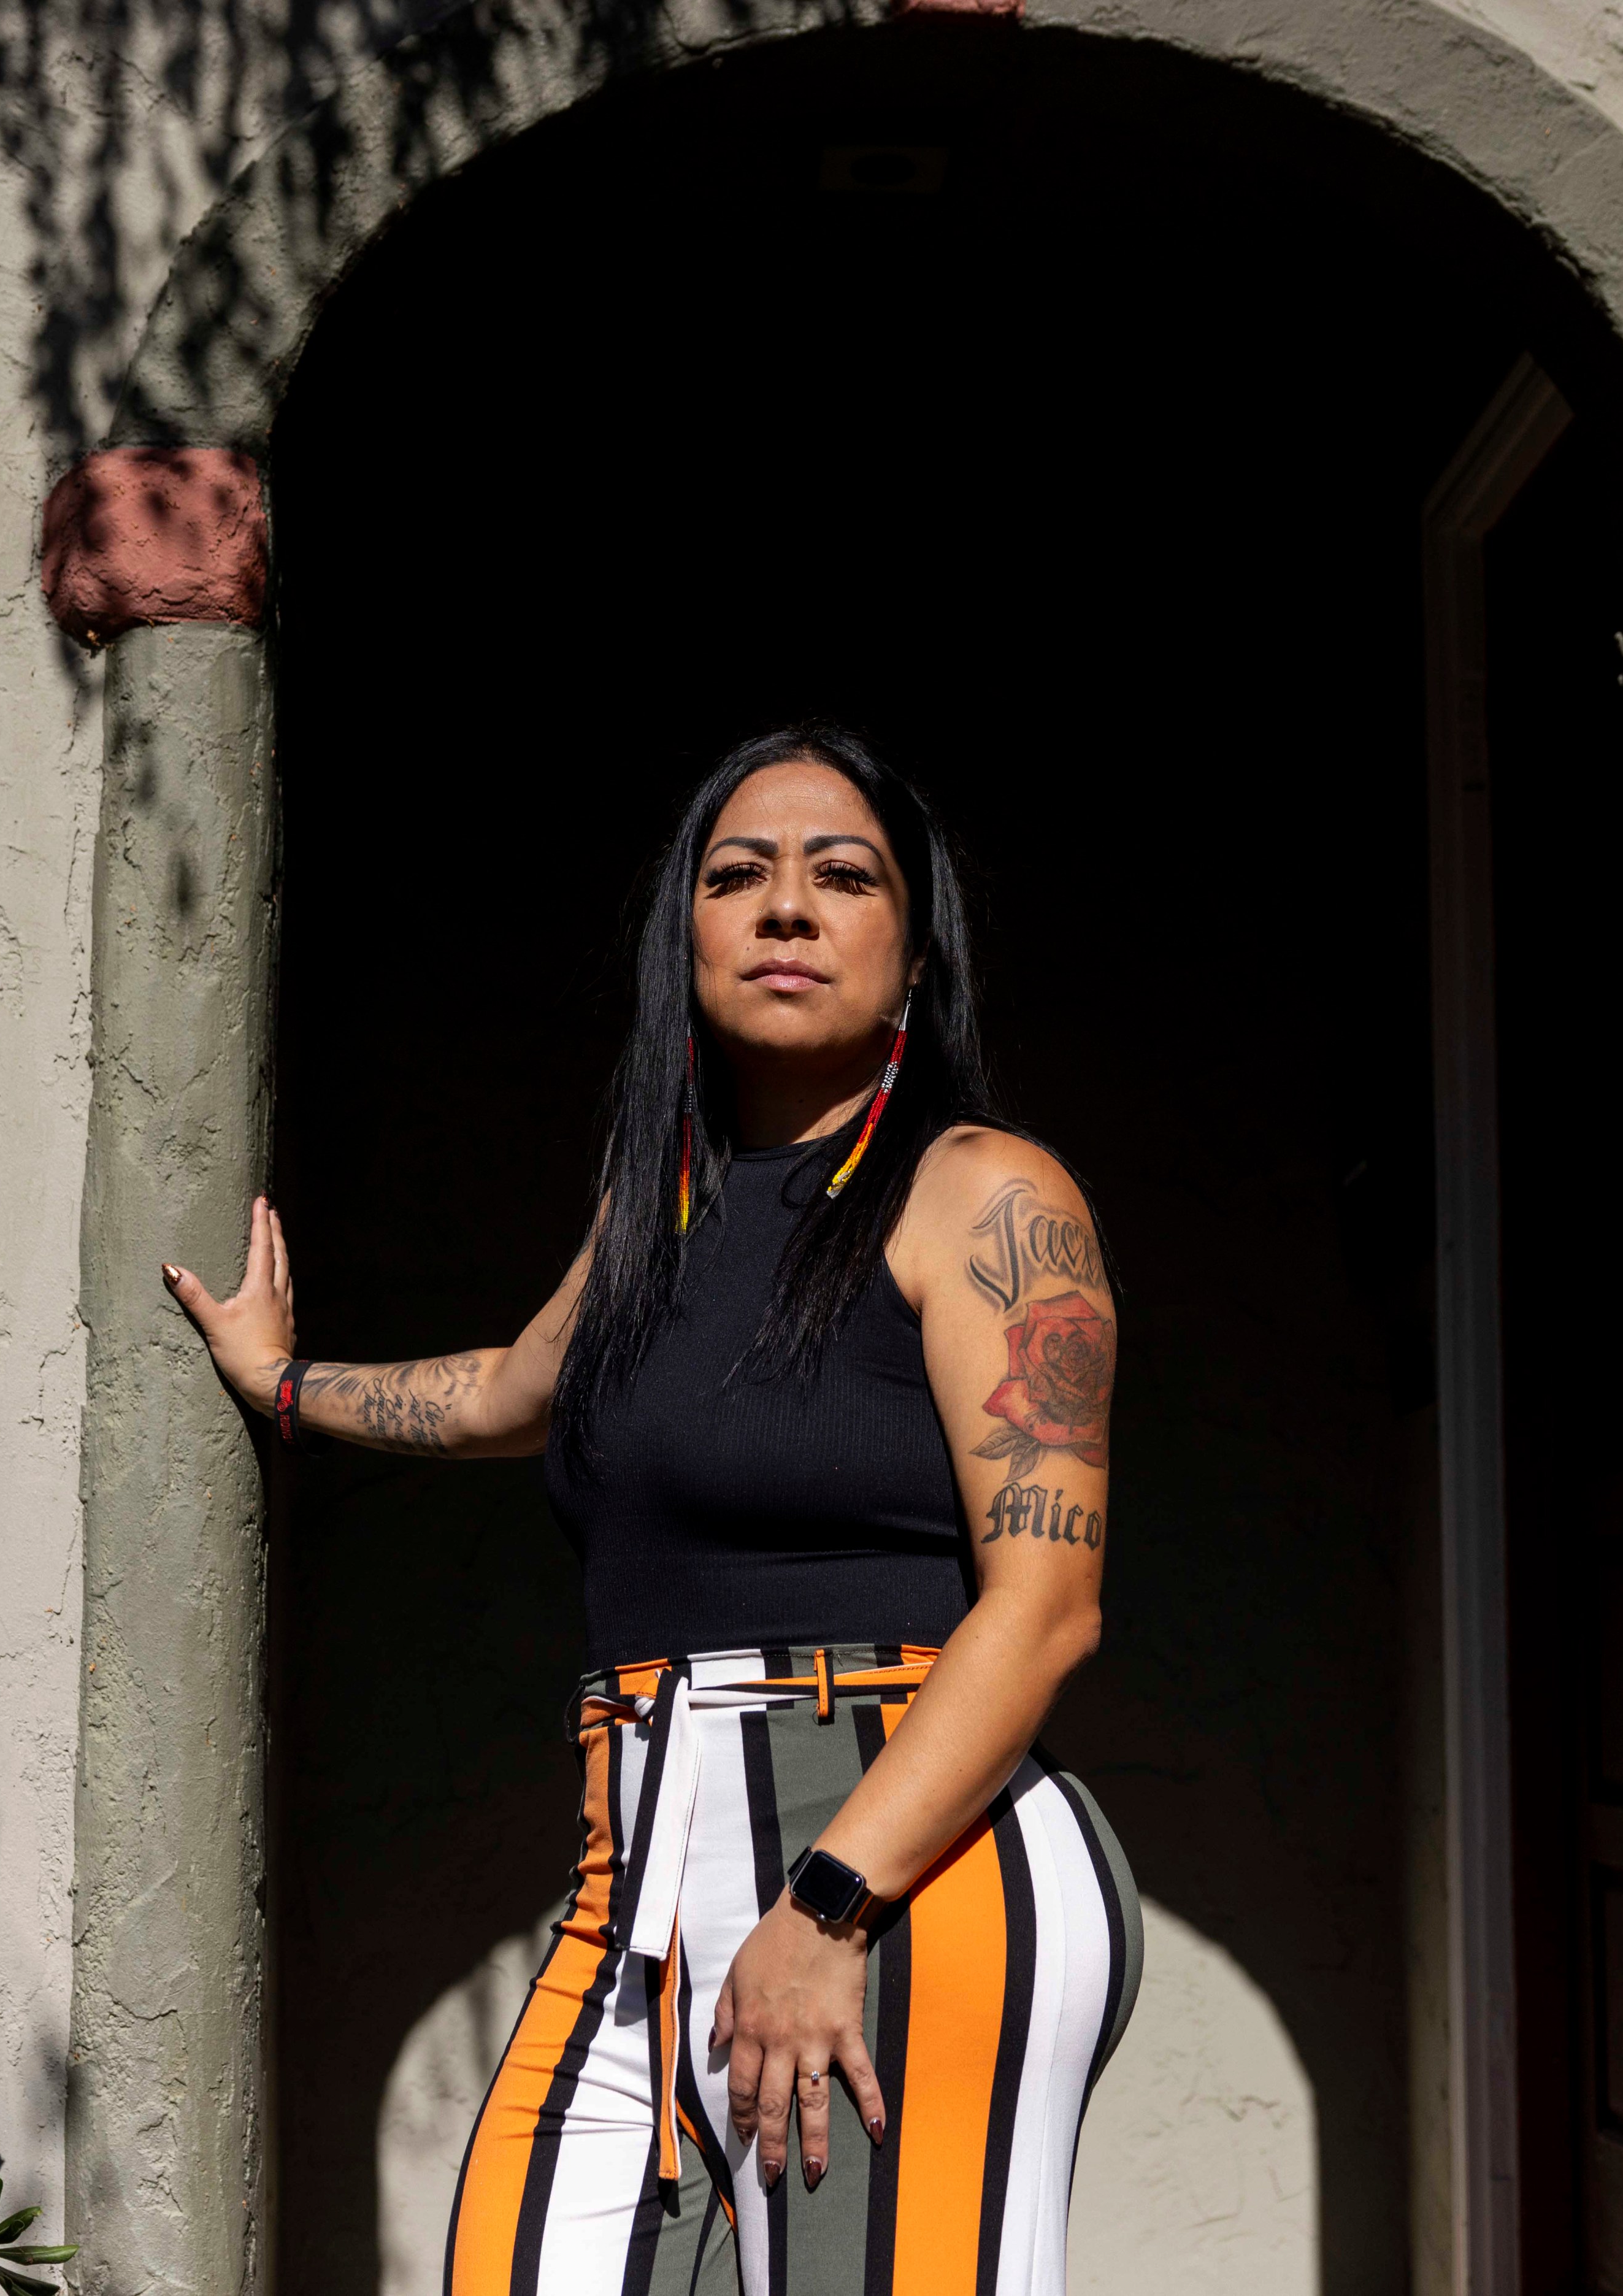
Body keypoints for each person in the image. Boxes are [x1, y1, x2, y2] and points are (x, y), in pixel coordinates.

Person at [164, 726, 1139, 2295]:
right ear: (682, 935)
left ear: (912, 949)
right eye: (738, 875)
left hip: (900, 1857)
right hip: (636, 1858)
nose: (786, 909)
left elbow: (1047, 1606)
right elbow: (509, 1392)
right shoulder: (655, 1211)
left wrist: (829, 1906)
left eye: (843, 875)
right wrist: (282, 1382)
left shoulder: (986, 1194)